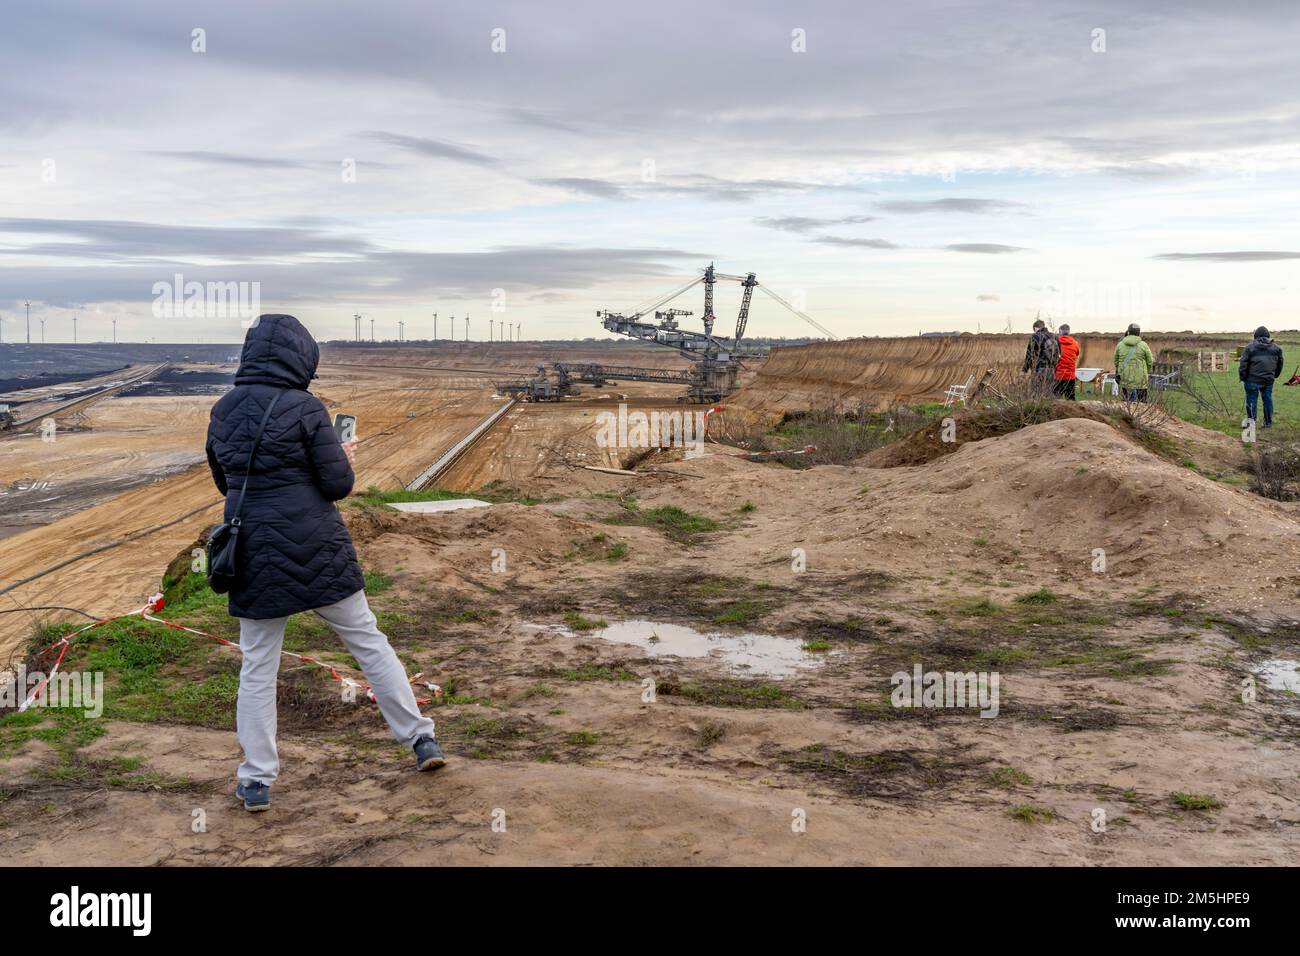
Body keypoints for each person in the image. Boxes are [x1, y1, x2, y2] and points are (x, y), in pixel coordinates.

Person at [205, 314, 445, 813]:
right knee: (369, 644)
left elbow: (226, 485)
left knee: (257, 667)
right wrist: (340, 452)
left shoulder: (223, 409)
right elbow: (337, 486)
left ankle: (255, 780)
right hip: (317, 546)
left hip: (254, 552)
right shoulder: (307, 408)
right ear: (300, 357)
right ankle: (421, 740)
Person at [1240, 326, 1284, 428]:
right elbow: (1280, 364)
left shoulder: (1249, 348)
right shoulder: (1277, 349)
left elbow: (1243, 364)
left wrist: (1243, 377)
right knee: (1267, 400)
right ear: (1268, 336)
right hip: (1268, 380)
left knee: (1251, 400)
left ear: (1255, 336)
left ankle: (1251, 424)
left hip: (1252, 380)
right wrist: (1274, 375)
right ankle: (1268, 423)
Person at [1113, 323, 1154, 402]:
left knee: (1126, 402)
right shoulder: (1144, 345)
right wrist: (1146, 371)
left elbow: (1116, 361)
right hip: (1141, 379)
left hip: (1125, 377)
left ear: (1128, 332)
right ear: (1138, 333)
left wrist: (1120, 370)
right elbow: (1150, 361)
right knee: (1142, 403)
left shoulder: (1120, 345)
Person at [1022, 318, 1059, 392]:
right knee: (1049, 392)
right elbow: (1059, 353)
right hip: (1052, 370)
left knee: (1036, 393)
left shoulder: (1035, 337)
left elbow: (1029, 355)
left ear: (1035, 328)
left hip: (1038, 369)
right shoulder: (1055, 336)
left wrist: (1024, 370)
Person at [1054, 323, 1080, 400]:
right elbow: (1077, 353)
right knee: (1071, 400)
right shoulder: (1075, 344)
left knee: (1056, 400)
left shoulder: (1055, 343)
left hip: (1059, 375)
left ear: (1060, 332)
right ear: (1069, 332)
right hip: (1070, 376)